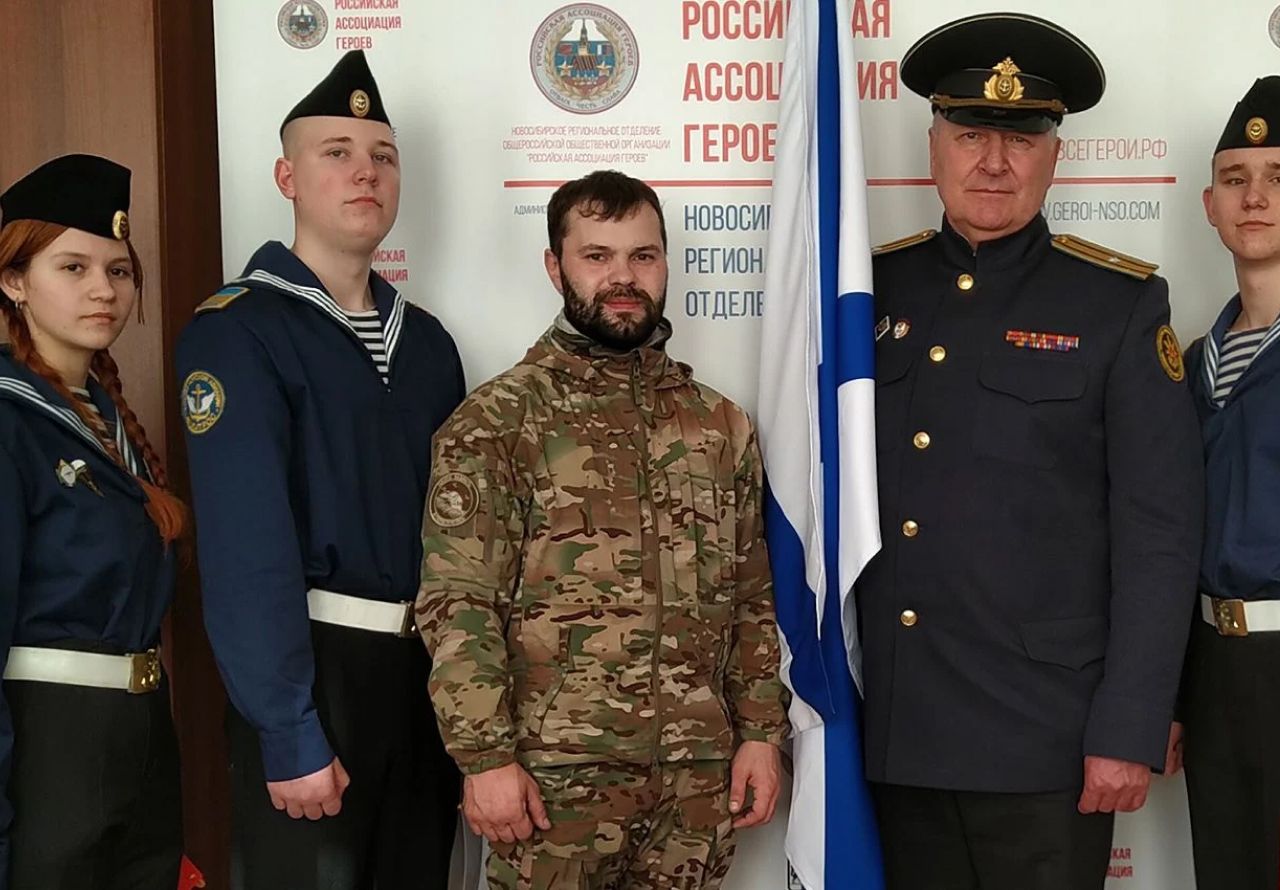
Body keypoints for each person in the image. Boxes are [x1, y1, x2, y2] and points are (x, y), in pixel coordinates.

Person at [857, 12, 1204, 889]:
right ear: (932, 146)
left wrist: (1128, 726)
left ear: (1054, 156)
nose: (993, 162)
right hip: (898, 729)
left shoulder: (1116, 305)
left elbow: (1159, 536)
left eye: (1019, 140)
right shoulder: (871, 290)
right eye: (969, 135)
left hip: (1048, 737)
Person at [415, 170, 788, 889]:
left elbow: (750, 597)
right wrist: (485, 758)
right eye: (597, 256)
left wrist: (761, 734)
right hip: (553, 785)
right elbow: (458, 602)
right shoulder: (499, 421)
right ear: (555, 267)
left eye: (643, 256)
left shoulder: (717, 424)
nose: (623, 277)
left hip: (696, 783)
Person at [176, 50, 464, 888]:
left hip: (424, 681)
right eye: (336, 152)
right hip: (315, 675)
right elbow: (246, 549)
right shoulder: (240, 329)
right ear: (287, 178)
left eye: (383, 155)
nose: (365, 171)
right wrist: (287, 724)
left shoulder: (429, 344)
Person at [0, 154, 188, 888]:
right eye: (72, 268)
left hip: (139, 733)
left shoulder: (106, 422)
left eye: (118, 270)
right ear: (13, 281)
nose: (104, 290)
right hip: (47, 740)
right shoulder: (12, 420)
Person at [1178, 75, 1280, 890]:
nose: (1254, 196)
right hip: (1215, 672)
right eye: (1234, 179)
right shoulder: (1190, 359)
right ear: (1209, 206)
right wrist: (1173, 698)